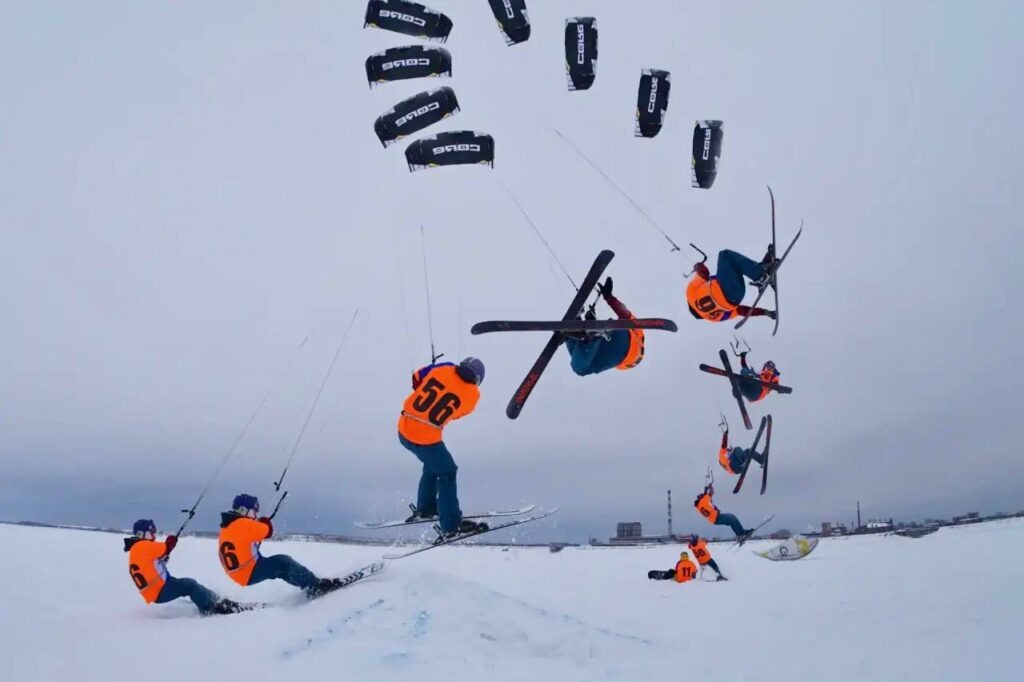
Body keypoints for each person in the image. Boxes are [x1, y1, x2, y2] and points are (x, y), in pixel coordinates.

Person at [398, 357, 486, 537]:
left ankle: (426, 509)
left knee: (434, 464)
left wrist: (432, 380)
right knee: (447, 471)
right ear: (478, 380)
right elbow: (458, 414)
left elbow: (416, 379)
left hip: (404, 430)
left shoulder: (445, 367)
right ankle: (450, 526)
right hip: (427, 438)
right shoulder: (473, 394)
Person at [218, 494, 341, 598]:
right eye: (254, 510)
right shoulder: (242, 523)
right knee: (283, 562)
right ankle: (315, 586)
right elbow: (267, 531)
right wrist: (265, 521)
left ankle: (307, 586)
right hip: (247, 571)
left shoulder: (228, 526)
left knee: (280, 569)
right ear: (243, 510)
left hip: (238, 572)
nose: (256, 514)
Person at [125, 518, 251, 615]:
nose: (153, 536)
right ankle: (212, 608)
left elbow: (149, 565)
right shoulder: (143, 545)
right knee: (189, 584)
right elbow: (167, 546)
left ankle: (214, 599)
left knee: (188, 585)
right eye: (151, 533)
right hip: (160, 590)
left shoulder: (136, 549)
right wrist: (170, 541)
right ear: (142, 534)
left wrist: (161, 560)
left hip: (156, 589)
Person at [564, 278, 645, 376]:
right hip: (622, 352)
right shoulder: (635, 349)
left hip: (618, 333)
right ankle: (587, 334)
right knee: (581, 369)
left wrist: (609, 297)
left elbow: (626, 315)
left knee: (578, 351)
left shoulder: (639, 333)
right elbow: (626, 316)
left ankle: (577, 328)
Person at [687, 246, 776, 322]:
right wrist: (698, 266)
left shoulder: (712, 318)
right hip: (725, 288)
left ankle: (762, 269)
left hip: (737, 296)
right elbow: (704, 274)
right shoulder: (690, 294)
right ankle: (761, 276)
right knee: (725, 255)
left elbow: (741, 311)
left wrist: (765, 312)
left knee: (734, 267)